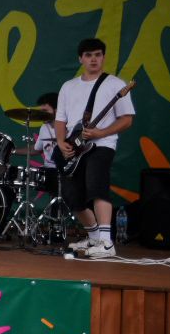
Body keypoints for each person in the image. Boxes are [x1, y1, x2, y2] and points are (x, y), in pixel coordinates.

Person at [55, 38, 135, 259]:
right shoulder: (68, 86)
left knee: (97, 187)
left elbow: (127, 119)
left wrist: (101, 133)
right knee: (73, 196)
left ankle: (107, 243)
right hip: (73, 147)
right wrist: (61, 142)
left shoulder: (115, 84)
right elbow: (60, 119)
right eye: (89, 55)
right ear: (81, 58)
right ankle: (93, 237)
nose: (93, 59)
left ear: (103, 57)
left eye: (98, 55)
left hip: (102, 145)